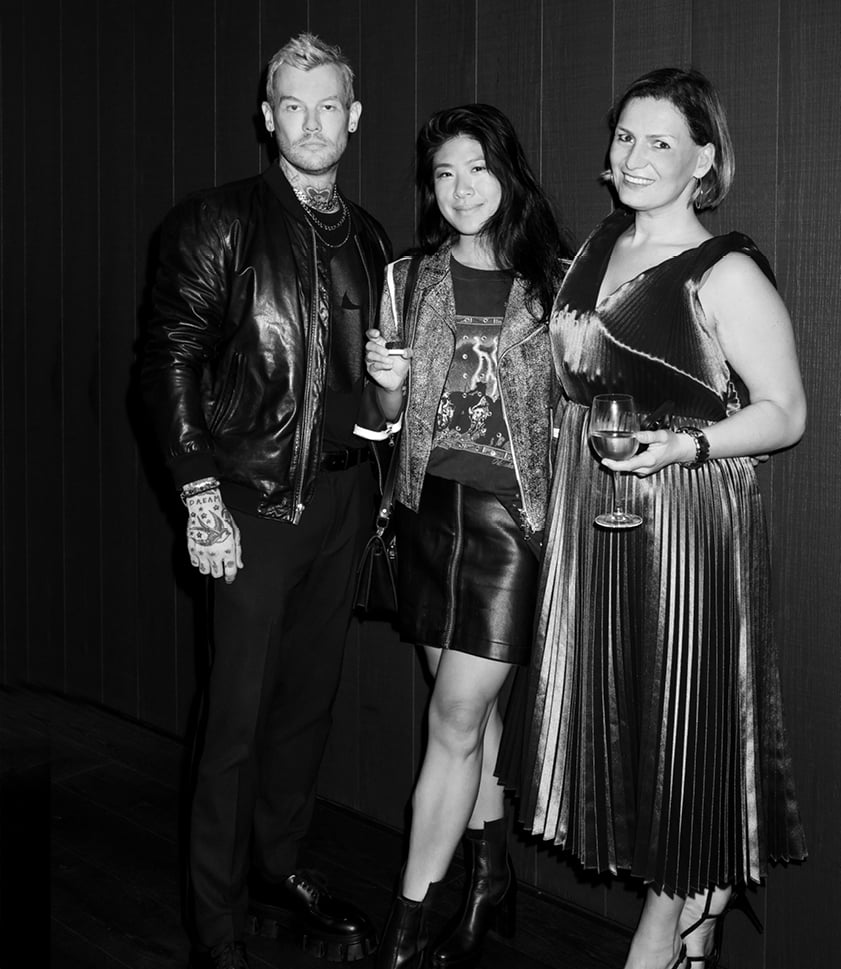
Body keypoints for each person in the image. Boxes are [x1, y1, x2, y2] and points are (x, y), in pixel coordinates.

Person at [498, 67, 807, 969]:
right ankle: (699, 916)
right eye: (624, 136)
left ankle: (659, 932)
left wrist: (687, 446)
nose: (632, 156)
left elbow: (785, 412)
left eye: (659, 141)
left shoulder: (725, 269)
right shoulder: (596, 245)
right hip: (592, 514)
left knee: (683, 719)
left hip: (682, 520)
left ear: (703, 161)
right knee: (623, 719)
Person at [141, 33, 391, 969]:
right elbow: (167, 360)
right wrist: (200, 498)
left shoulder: (370, 236)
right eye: (293, 105)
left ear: (352, 117)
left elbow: (368, 381)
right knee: (234, 724)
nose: (311, 123)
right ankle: (214, 927)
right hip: (250, 505)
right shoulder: (218, 221)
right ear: (267, 116)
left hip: (341, 500)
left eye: (328, 106)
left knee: (304, 711)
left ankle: (275, 872)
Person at [361, 103, 571, 969]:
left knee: (450, 716)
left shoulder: (557, 283)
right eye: (444, 173)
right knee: (469, 721)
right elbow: (386, 417)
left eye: (477, 168)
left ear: (507, 174)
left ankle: (404, 929)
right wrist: (383, 384)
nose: (460, 188)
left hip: (511, 525)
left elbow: (581, 410)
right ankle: (490, 879)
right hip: (425, 515)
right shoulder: (407, 277)